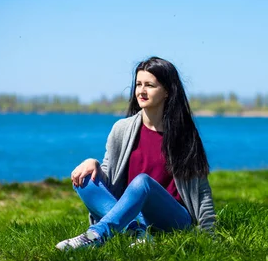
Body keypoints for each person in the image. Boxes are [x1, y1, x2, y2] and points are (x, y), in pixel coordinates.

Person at [56, 56, 216, 250]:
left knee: (142, 182)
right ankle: (137, 231)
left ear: (166, 91)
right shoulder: (121, 129)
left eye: (150, 85)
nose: (141, 90)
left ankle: (96, 234)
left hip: (173, 218)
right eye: (138, 84)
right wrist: (93, 163)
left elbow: (202, 190)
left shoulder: (184, 134)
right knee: (84, 179)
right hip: (135, 213)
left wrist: (209, 235)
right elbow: (110, 176)